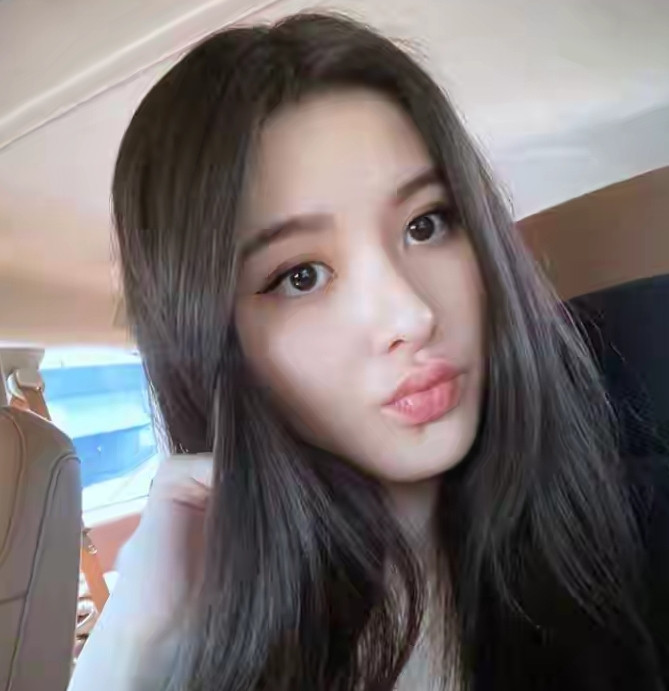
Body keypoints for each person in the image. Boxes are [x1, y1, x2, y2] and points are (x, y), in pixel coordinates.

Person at [69, 12, 669, 691]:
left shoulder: (635, 533)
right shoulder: (202, 649)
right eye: (301, 276)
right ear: (211, 345)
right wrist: (129, 643)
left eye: (426, 224)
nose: (411, 315)